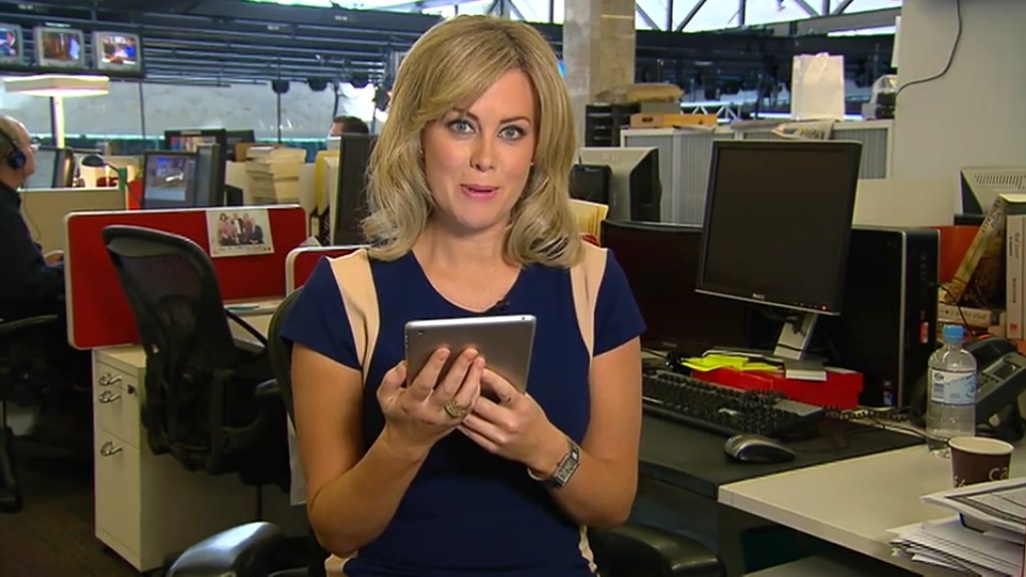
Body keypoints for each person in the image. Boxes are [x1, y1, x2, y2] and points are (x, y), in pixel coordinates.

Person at [281, 15, 645, 577]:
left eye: (512, 131)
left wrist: (541, 447)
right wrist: (404, 442)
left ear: (537, 147)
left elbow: (613, 505)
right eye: (460, 125)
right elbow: (337, 530)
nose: (485, 158)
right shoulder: (344, 295)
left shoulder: (593, 282)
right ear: (418, 136)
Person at [0, 114, 65, 321]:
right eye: (29, 145)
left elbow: (13, 274)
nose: (34, 150)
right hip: (19, 327)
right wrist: (72, 266)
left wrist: (43, 265)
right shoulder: (3, 208)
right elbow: (32, 288)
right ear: (14, 156)